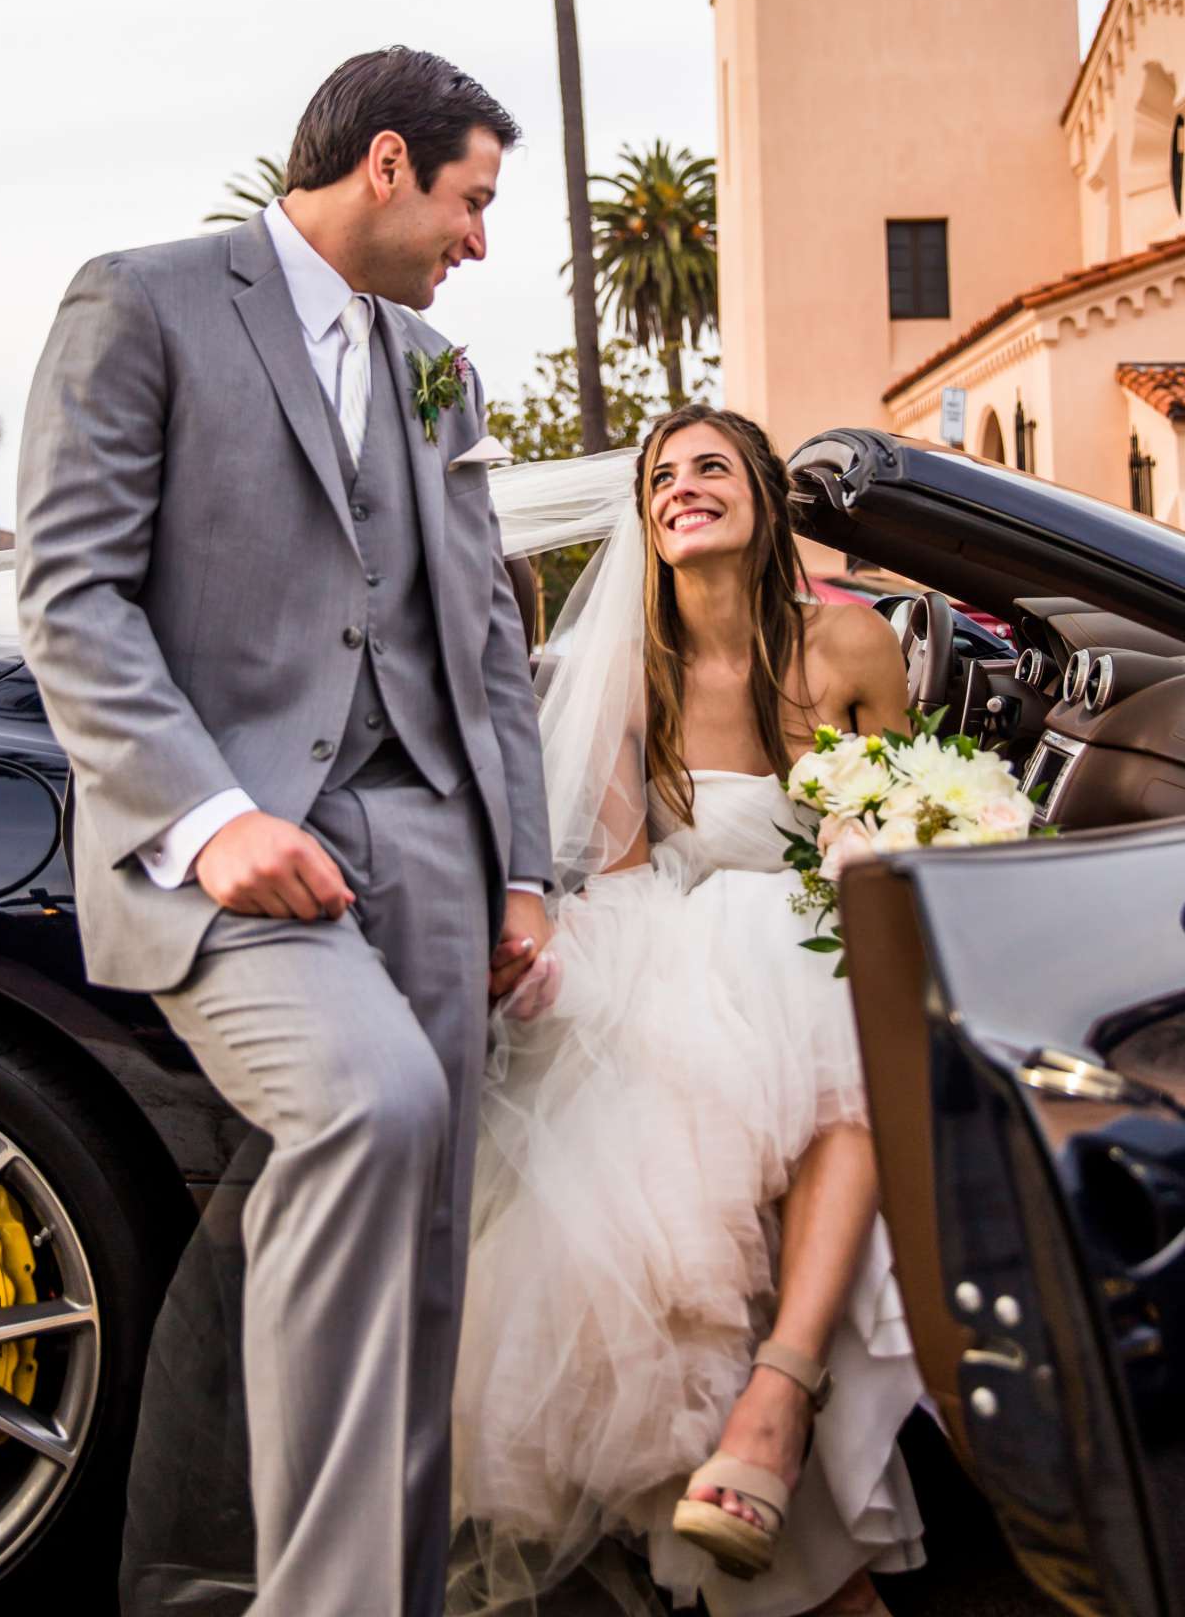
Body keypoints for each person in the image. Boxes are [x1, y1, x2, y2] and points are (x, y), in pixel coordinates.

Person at [15, 46, 555, 1617]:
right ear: (385, 164)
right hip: (237, 848)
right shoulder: (146, 300)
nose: (479, 242)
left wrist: (522, 870)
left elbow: (488, 643)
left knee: (428, 1256)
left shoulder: (435, 369)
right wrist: (211, 814)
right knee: (367, 1107)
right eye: (471, 201)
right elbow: (71, 597)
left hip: (439, 850)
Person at [449, 406, 926, 1616]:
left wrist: (864, 840)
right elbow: (616, 883)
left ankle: (775, 1406)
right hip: (676, 943)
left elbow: (912, 826)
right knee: (659, 1151)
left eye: (711, 467)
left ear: (763, 501)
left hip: (831, 937)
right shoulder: (630, 670)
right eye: (661, 476)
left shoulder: (850, 643)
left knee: (844, 1025)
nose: (680, 487)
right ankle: (776, 1500)